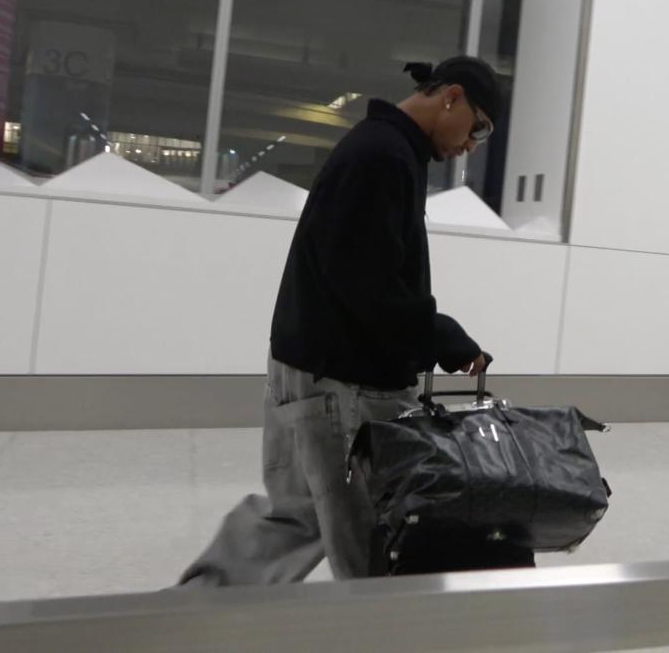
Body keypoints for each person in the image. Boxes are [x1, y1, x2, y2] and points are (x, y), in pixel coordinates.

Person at [179, 56, 503, 586]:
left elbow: (358, 269)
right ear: (452, 97)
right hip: (341, 385)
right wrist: (441, 336)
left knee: (299, 518)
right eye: (479, 127)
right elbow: (369, 284)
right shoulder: (383, 156)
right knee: (376, 545)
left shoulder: (384, 148)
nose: (471, 144)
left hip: (311, 370)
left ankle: (185, 617)